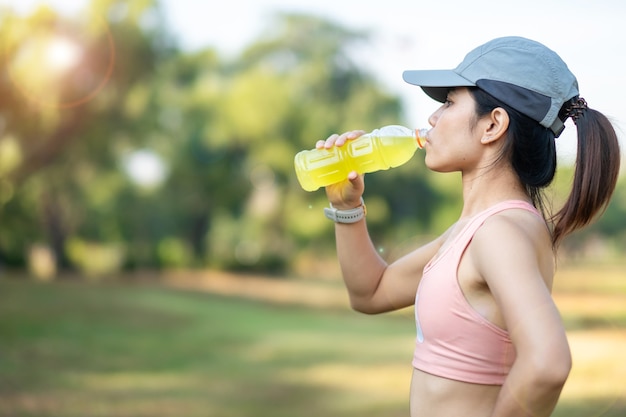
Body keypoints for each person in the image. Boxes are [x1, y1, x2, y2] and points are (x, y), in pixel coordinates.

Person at [315, 36, 621, 417]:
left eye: (448, 102)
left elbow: (548, 363)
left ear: (493, 125)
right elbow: (371, 293)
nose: (432, 118)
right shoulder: (474, 230)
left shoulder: (500, 234)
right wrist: (348, 207)